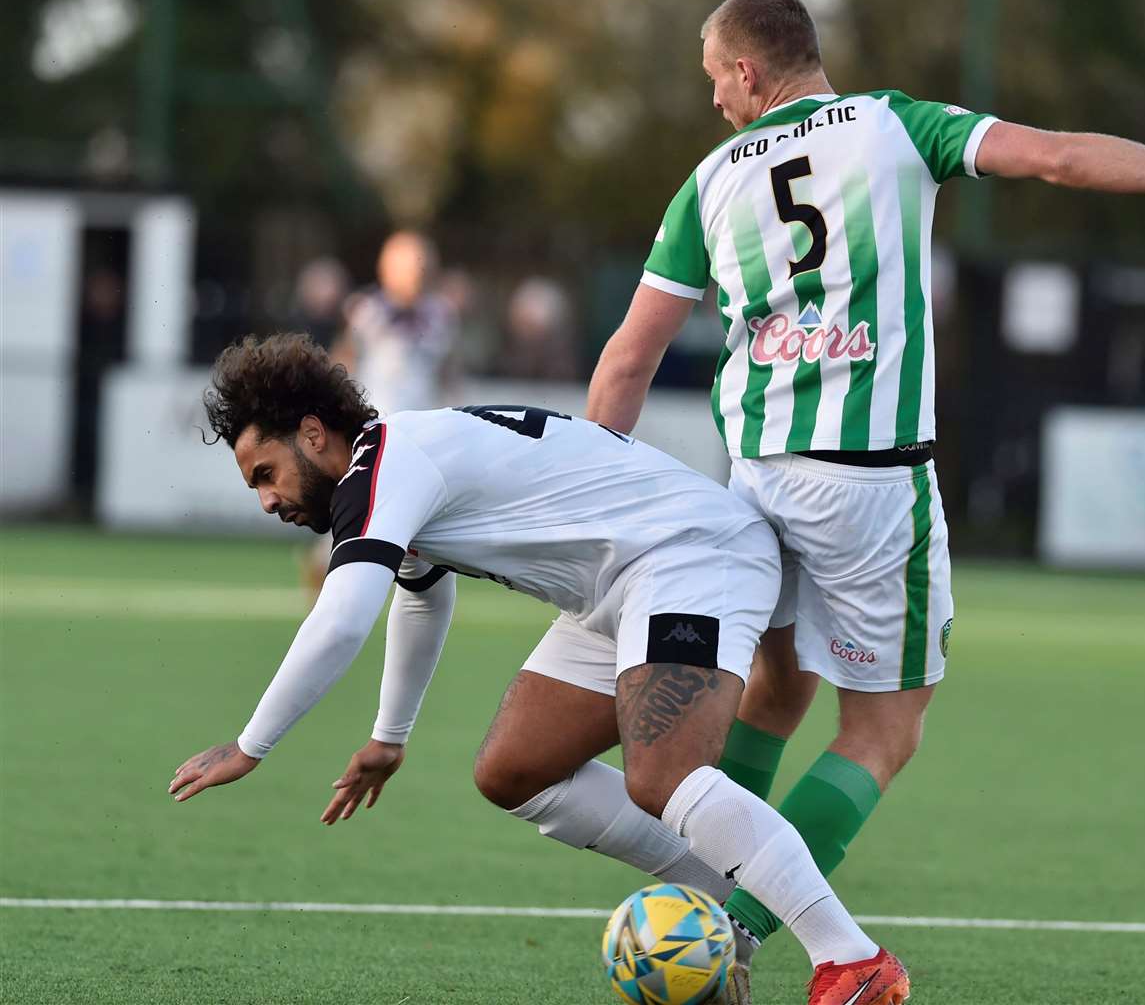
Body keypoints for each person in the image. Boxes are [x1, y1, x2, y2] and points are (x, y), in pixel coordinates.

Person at [584, 0, 1145, 1003]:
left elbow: (625, 364)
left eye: (714, 78)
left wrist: (587, 506)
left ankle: (709, 903)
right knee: (882, 732)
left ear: (747, 72)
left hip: (749, 486)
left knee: (777, 686)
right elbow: (1061, 156)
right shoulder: (895, 126)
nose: (714, 99)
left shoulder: (706, 183)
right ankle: (742, 927)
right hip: (869, 486)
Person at [168, 333, 912, 1005]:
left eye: (266, 473)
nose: (267, 499)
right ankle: (726, 892)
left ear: (311, 433)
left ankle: (852, 962)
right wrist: (389, 737)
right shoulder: (392, 468)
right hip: (616, 586)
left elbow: (340, 620)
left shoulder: (383, 466)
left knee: (664, 779)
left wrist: (250, 744)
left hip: (689, 554)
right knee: (513, 769)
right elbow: (422, 599)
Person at [334, 230, 455, 416]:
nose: (415, 274)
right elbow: (344, 362)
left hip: (425, 421)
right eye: (406, 267)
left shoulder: (441, 314)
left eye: (421, 265)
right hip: (375, 419)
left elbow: (449, 372)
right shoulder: (367, 310)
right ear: (386, 268)